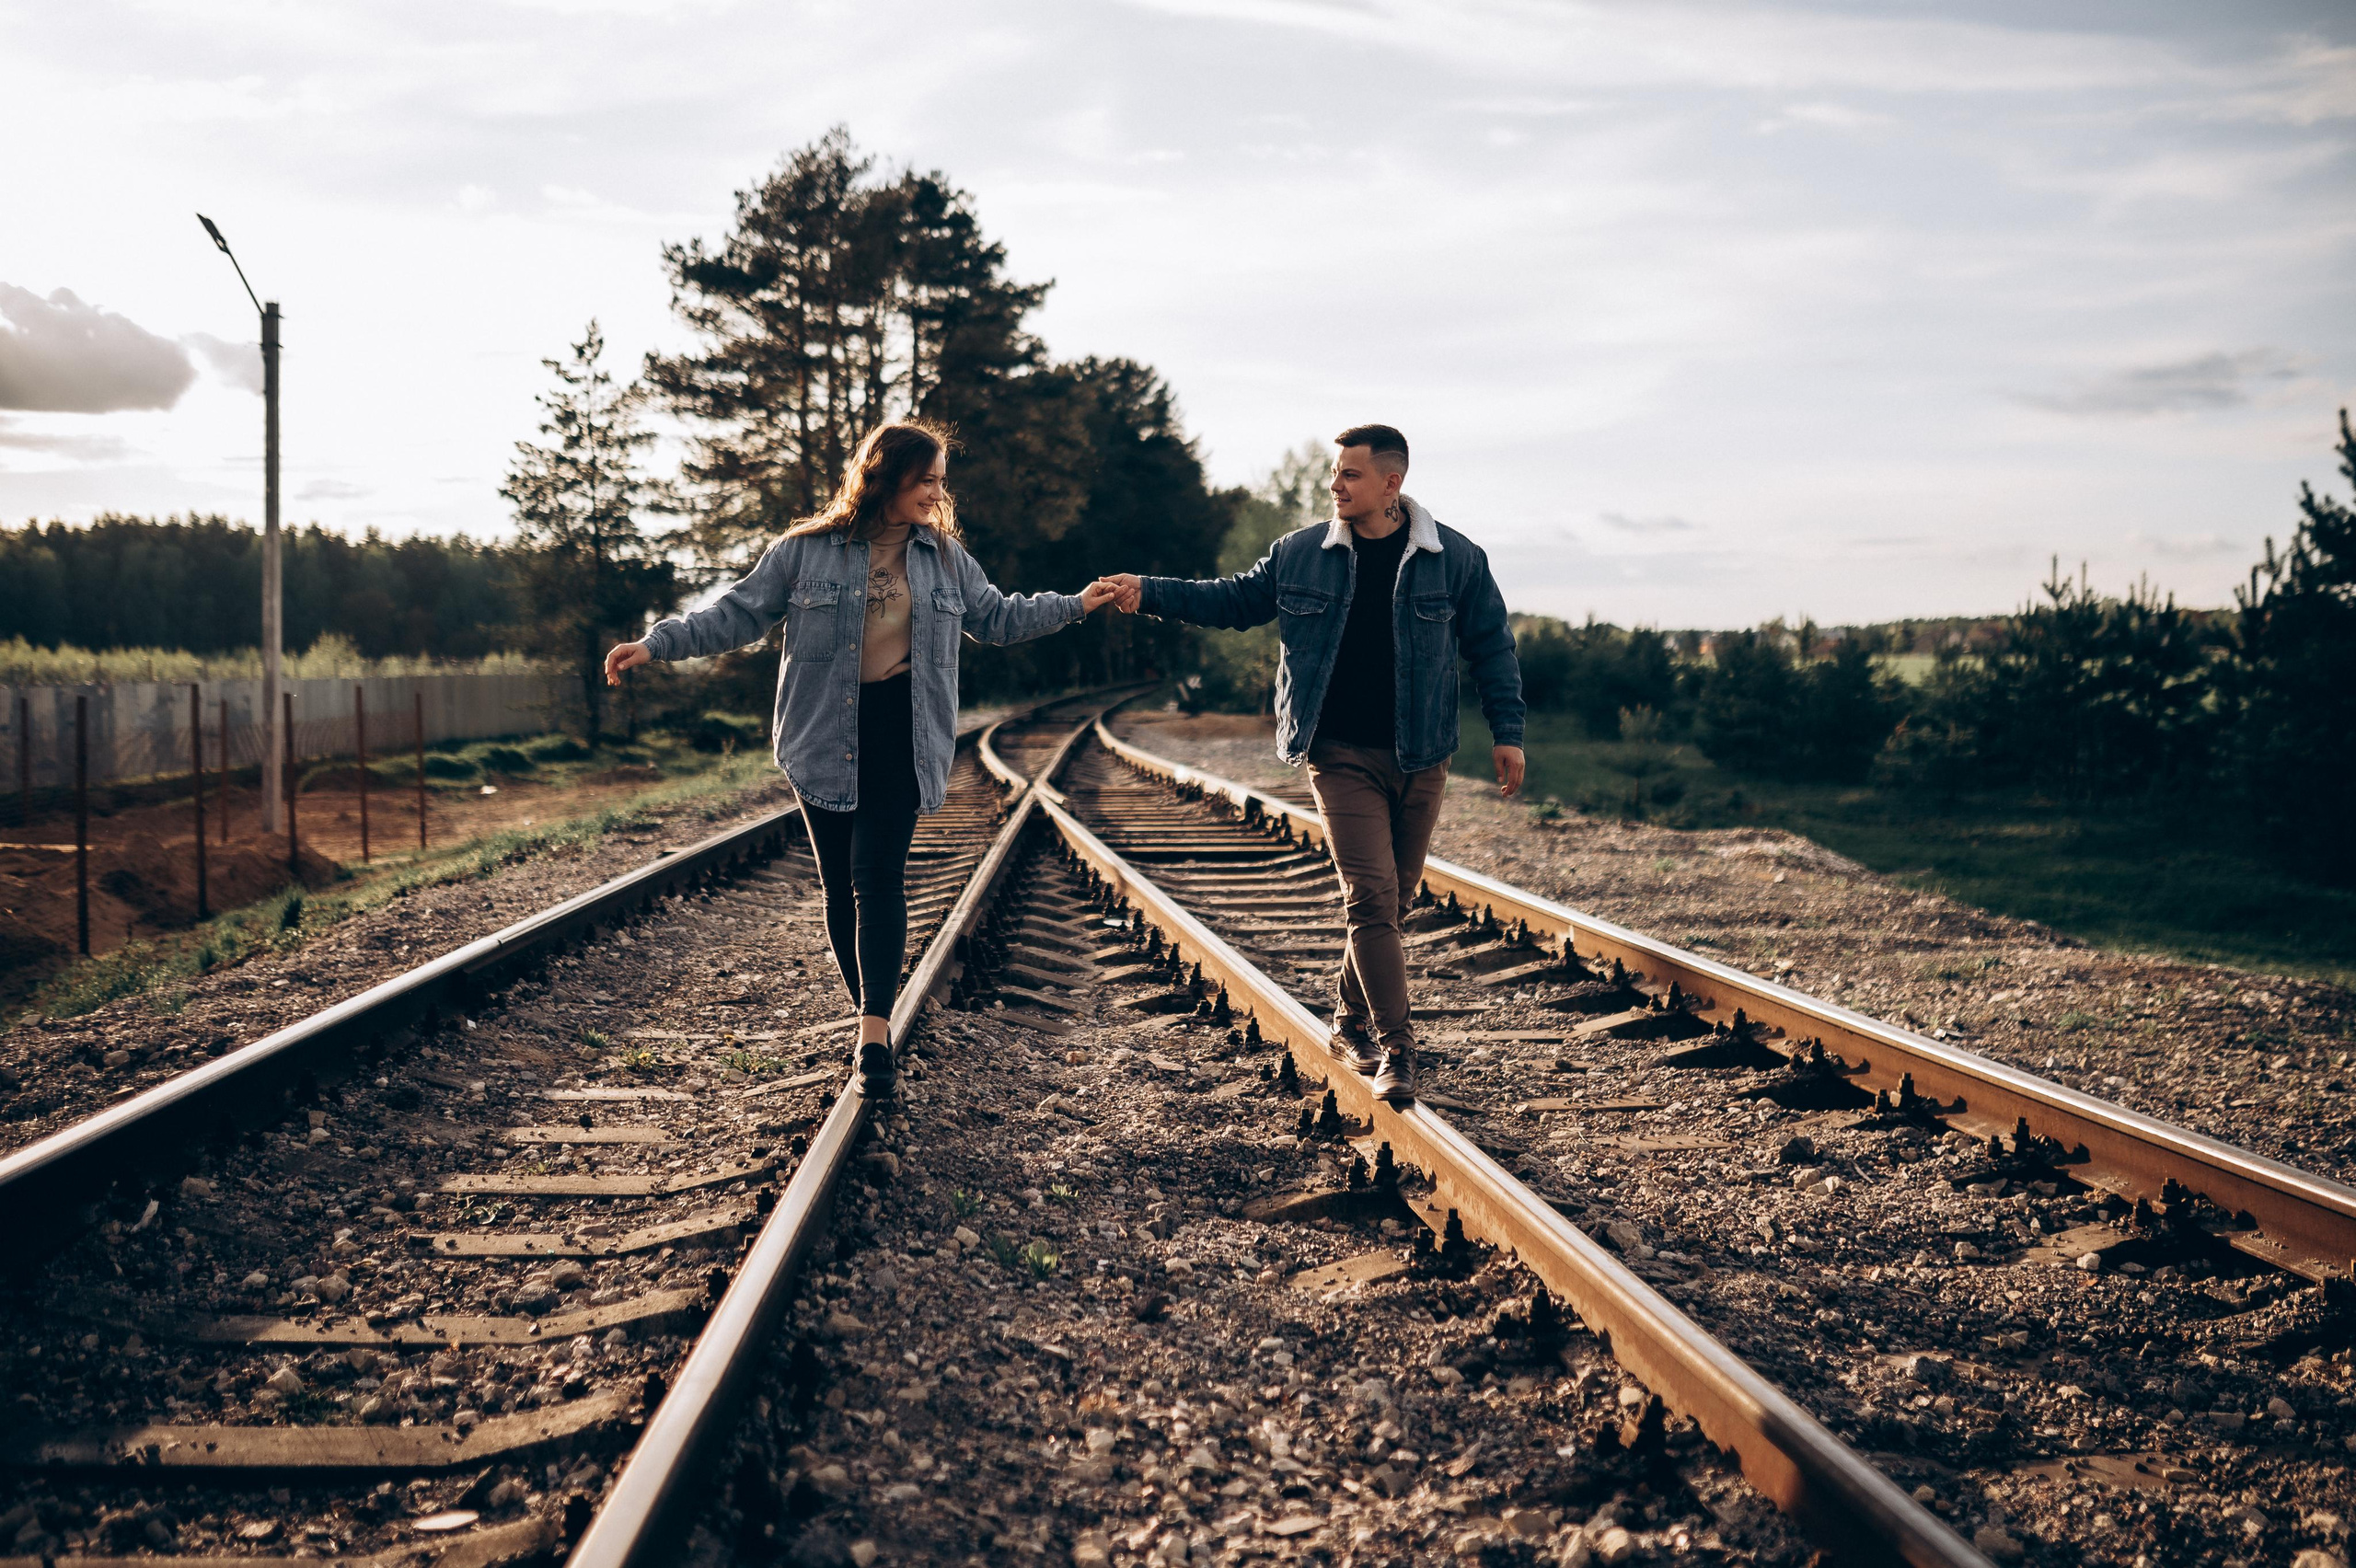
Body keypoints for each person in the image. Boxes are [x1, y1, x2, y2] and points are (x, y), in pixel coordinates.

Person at [606, 421, 1118, 1096]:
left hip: (904, 732)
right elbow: (737, 613)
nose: (937, 494)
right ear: (887, 477)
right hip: (822, 731)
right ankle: (870, 1013)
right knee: (840, 886)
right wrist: (656, 644)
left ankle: (873, 1034)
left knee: (877, 876)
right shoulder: (804, 552)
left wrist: (1077, 605)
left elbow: (997, 617)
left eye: (941, 482)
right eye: (926, 480)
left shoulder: (943, 557)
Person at [1095, 424, 1524, 1104]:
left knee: (1394, 902)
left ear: (1392, 484)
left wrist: (1509, 732)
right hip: (1339, 754)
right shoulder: (1300, 554)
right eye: (1335, 473)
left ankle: (1348, 1017)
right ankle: (1398, 1050)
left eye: (1351, 474)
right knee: (1373, 899)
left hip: (1422, 756)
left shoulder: (1457, 560)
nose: (1335, 485)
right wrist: (1148, 590)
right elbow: (1231, 601)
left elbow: (1492, 648)